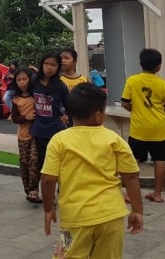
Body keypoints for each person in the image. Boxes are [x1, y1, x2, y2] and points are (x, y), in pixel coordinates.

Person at [41, 83, 144, 258]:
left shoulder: (59, 140)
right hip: (111, 216)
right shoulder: (114, 140)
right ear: (98, 115)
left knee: (65, 254)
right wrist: (137, 210)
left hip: (73, 220)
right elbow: (131, 177)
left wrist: (48, 209)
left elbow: (48, 179)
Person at [121, 48, 165, 203]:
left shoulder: (132, 81)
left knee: (134, 161)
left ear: (140, 64)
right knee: (160, 160)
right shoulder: (163, 84)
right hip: (158, 128)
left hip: (138, 129)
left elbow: (125, 102)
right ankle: (157, 194)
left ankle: (131, 194)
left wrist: (135, 108)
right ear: (159, 66)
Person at [29, 51, 69, 174]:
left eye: (53, 65)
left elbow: (69, 106)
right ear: (42, 64)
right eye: (46, 64)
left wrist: (67, 117)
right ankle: (46, 190)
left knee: (59, 162)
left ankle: (61, 188)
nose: (49, 67)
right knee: (42, 162)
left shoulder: (61, 86)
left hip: (55, 129)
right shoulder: (34, 81)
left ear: (58, 68)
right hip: (38, 129)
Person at [10, 67, 41, 203]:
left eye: (24, 79)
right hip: (23, 136)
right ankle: (28, 190)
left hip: (36, 134)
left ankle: (34, 190)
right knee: (24, 163)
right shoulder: (16, 99)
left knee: (34, 161)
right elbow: (15, 118)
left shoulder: (37, 96)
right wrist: (26, 117)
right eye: (19, 80)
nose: (22, 82)